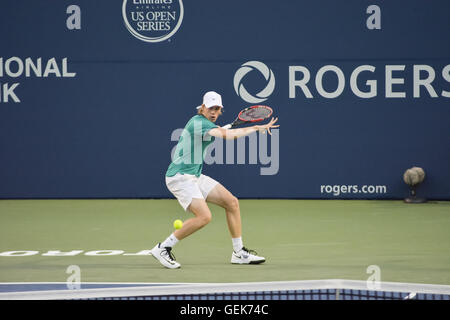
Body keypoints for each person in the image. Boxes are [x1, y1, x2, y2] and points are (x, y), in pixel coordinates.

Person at [150, 91, 279, 269]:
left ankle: (238, 252)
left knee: (231, 202)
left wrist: (221, 129)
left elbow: (218, 132)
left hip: (194, 176)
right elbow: (227, 136)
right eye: (211, 108)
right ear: (202, 108)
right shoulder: (197, 122)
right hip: (179, 177)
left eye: (217, 109)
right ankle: (163, 248)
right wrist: (255, 128)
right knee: (204, 216)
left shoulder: (207, 125)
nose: (214, 111)